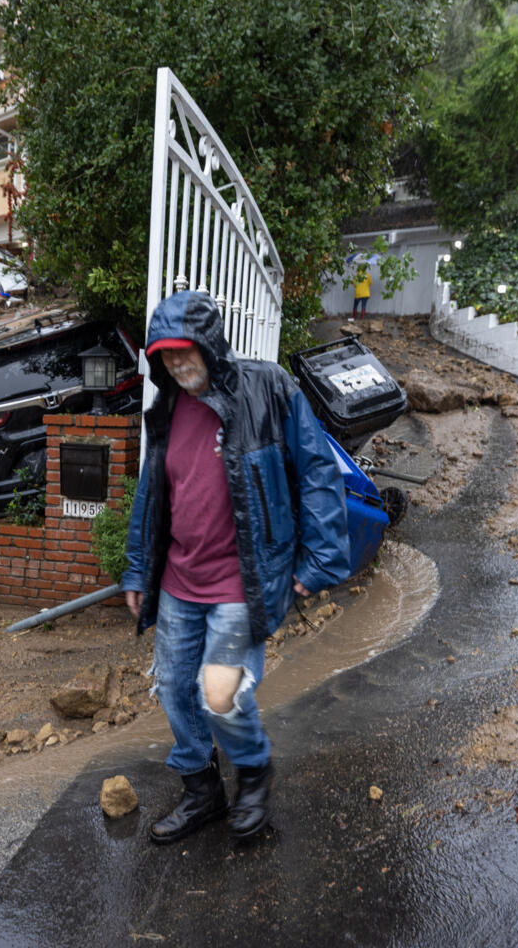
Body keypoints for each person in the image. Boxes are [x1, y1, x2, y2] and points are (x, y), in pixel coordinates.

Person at [121, 290, 350, 844]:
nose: (176, 364)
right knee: (175, 688)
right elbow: (152, 493)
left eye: (185, 352)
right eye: (165, 356)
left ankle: (252, 773)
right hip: (180, 579)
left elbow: (317, 470)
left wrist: (320, 558)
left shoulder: (267, 387)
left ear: (210, 345)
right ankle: (201, 790)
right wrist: (136, 568)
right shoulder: (168, 407)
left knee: (219, 694)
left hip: (241, 581)